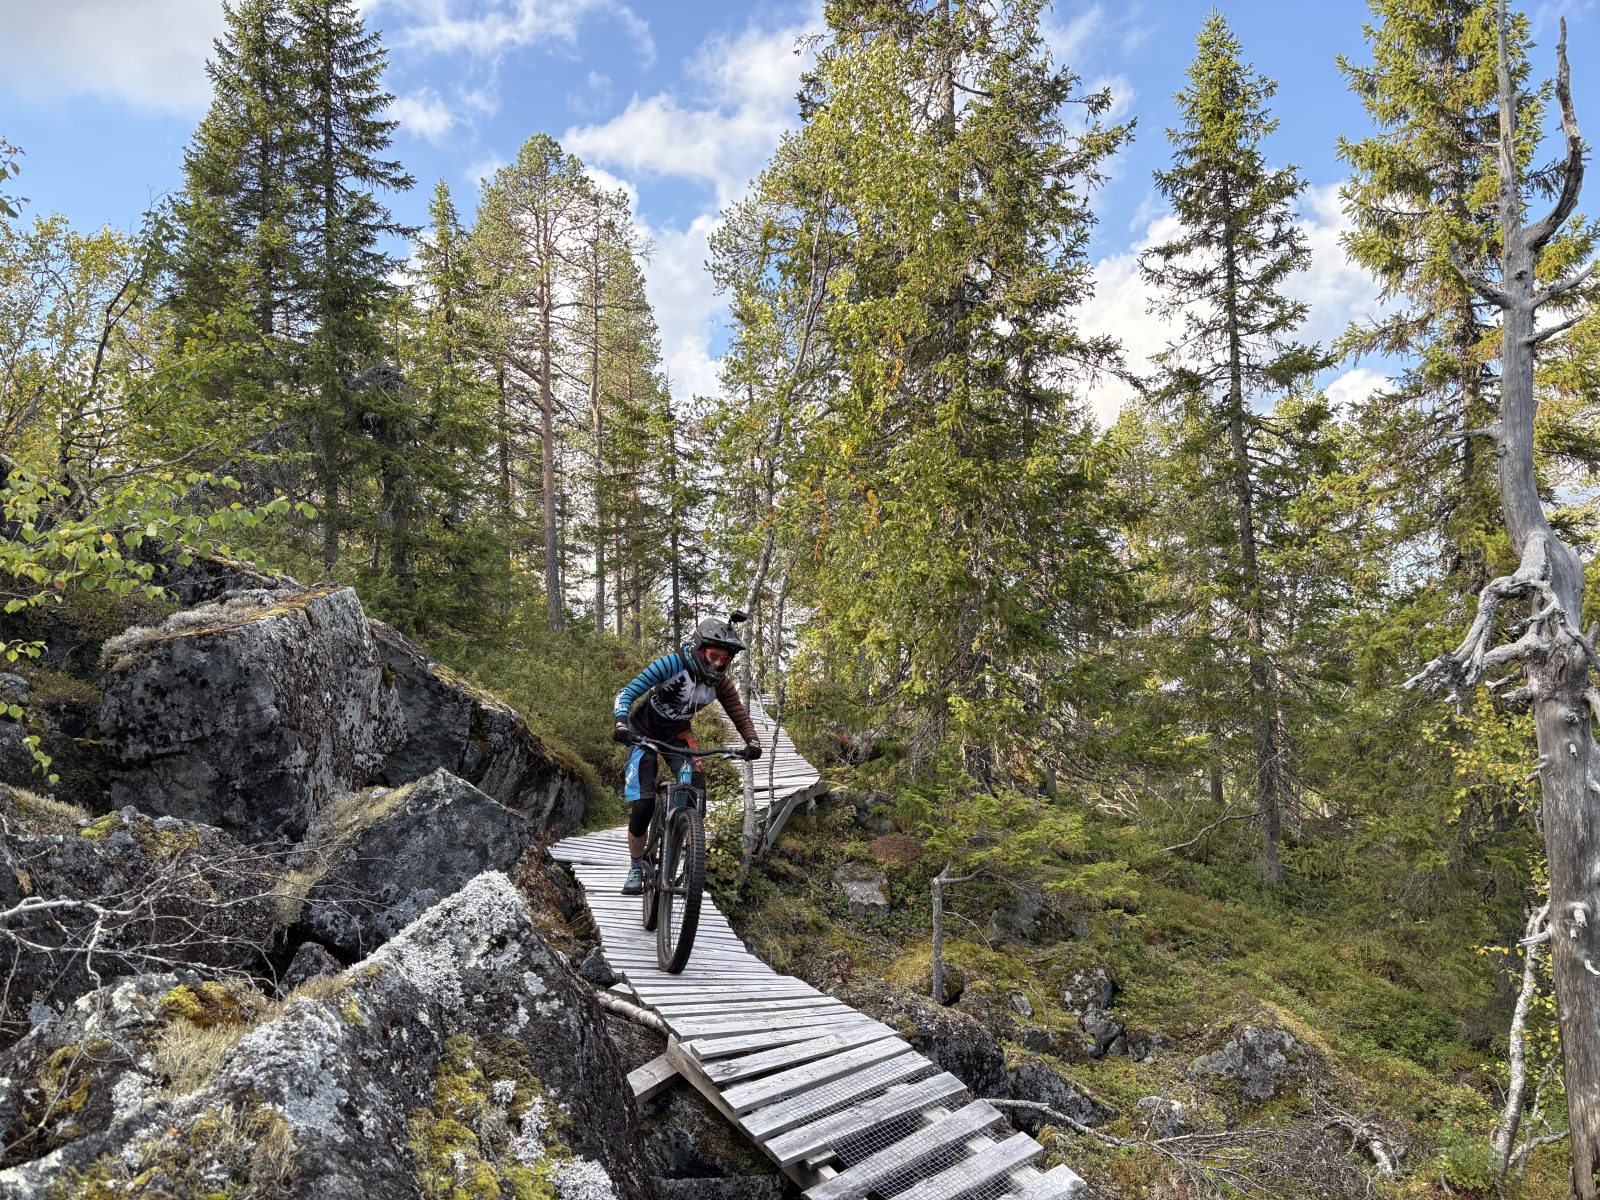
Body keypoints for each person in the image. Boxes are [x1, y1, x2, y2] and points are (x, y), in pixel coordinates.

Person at [612, 615, 763, 895]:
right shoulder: (672, 664)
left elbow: (739, 715)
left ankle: (693, 859)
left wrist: (752, 741)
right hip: (642, 733)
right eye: (713, 655)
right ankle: (635, 865)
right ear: (699, 648)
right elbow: (627, 692)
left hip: (678, 736)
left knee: (696, 785)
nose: (719, 663)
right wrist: (621, 722)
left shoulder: (721, 684)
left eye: (725, 660)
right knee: (643, 805)